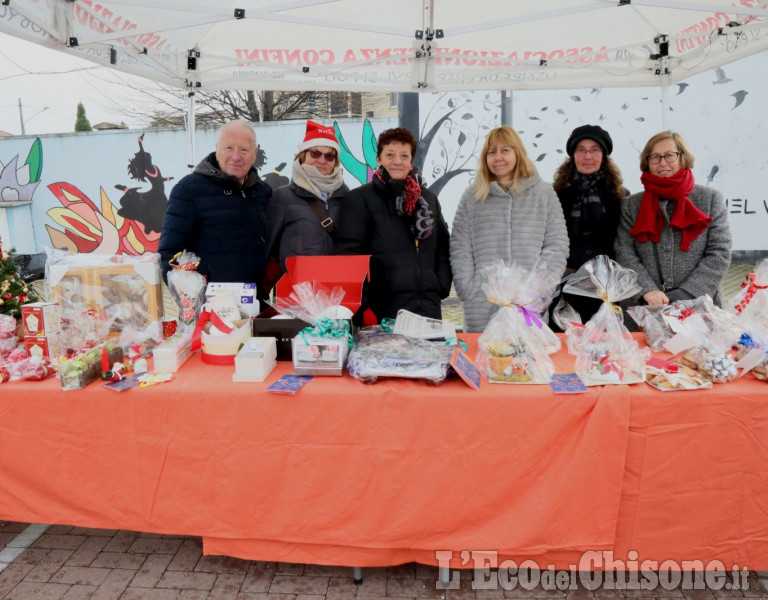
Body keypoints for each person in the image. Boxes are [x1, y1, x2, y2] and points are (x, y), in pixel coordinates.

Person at [450, 125, 568, 333]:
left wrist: (539, 290)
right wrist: (468, 288)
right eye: (491, 152)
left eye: (505, 150)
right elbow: (460, 248)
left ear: (517, 153)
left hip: (529, 304)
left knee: (529, 359)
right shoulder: (473, 196)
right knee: (485, 360)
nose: (498, 158)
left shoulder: (543, 193)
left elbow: (556, 246)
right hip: (482, 303)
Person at [336, 127, 452, 322]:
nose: (397, 161)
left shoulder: (428, 198)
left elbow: (442, 246)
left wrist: (440, 284)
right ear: (379, 159)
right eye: (390, 155)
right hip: (383, 308)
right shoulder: (359, 199)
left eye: (404, 155)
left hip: (428, 306)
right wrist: (365, 302)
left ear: (411, 161)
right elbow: (349, 255)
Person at [158, 119, 272, 302]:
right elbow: (169, 254)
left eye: (244, 149)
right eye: (229, 148)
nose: (236, 156)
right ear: (217, 148)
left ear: (254, 153)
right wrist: (192, 301)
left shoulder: (263, 192)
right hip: (209, 311)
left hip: (255, 304)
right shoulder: (189, 189)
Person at [614, 130, 732, 306]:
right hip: (644, 308)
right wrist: (647, 290)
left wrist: (687, 293)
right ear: (647, 162)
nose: (662, 163)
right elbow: (625, 253)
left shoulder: (710, 199)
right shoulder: (631, 205)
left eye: (669, 155)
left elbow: (720, 252)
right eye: (654, 157)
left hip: (698, 307)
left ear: (682, 157)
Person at [551, 124, 629, 324]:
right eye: (581, 150)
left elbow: (625, 244)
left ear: (603, 156)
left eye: (594, 150)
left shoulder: (620, 197)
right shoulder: (556, 196)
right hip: (565, 289)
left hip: (606, 290)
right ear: (572, 155)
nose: (588, 156)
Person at [267, 120, 349, 273]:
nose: (322, 160)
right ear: (303, 155)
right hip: (297, 290)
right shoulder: (282, 197)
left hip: (337, 287)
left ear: (335, 162)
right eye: (315, 153)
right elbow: (269, 249)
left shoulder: (347, 198)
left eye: (330, 156)